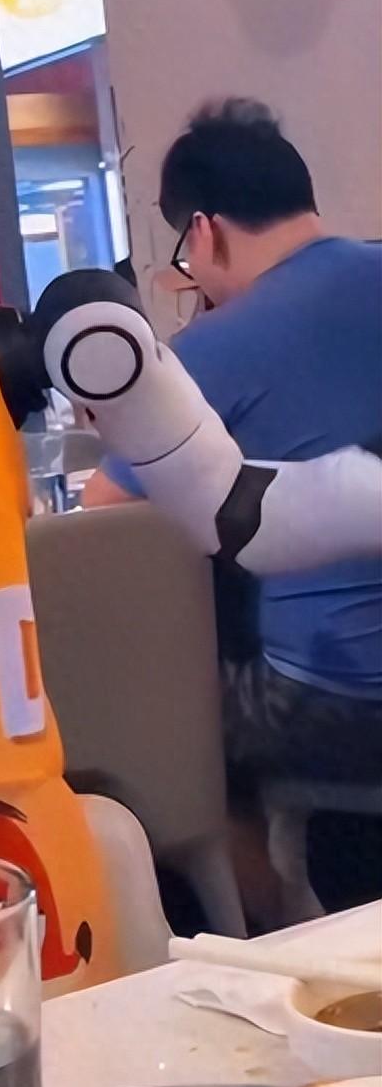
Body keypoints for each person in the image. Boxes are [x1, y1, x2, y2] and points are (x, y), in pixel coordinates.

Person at [84, 99, 382, 880]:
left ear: (204, 231)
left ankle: (251, 905)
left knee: (163, 716)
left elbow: (99, 520)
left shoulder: (215, 346)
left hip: (335, 697)